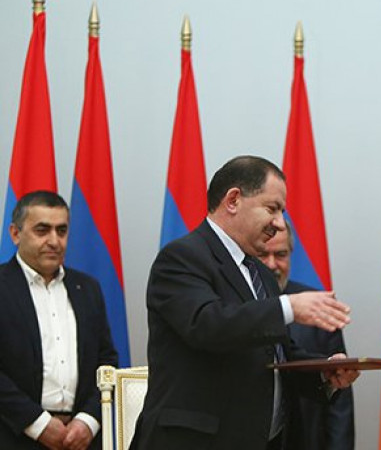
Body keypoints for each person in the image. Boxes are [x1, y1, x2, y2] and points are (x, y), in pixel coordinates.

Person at [130, 155, 359, 450]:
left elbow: (276, 355)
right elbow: (208, 324)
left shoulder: (261, 274)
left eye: (282, 212)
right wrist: (289, 307)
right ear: (234, 200)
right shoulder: (181, 258)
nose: (280, 223)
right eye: (272, 209)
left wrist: (324, 373)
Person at [0, 190, 118, 450]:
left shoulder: (87, 289)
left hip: (81, 439)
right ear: (15, 234)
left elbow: (107, 361)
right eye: (42, 230)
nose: (54, 241)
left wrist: (88, 421)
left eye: (61, 231)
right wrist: (38, 423)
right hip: (13, 436)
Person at [257, 221, 355, 450]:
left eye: (281, 255)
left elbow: (339, 399)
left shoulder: (318, 305)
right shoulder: (235, 306)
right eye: (263, 255)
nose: (272, 264)